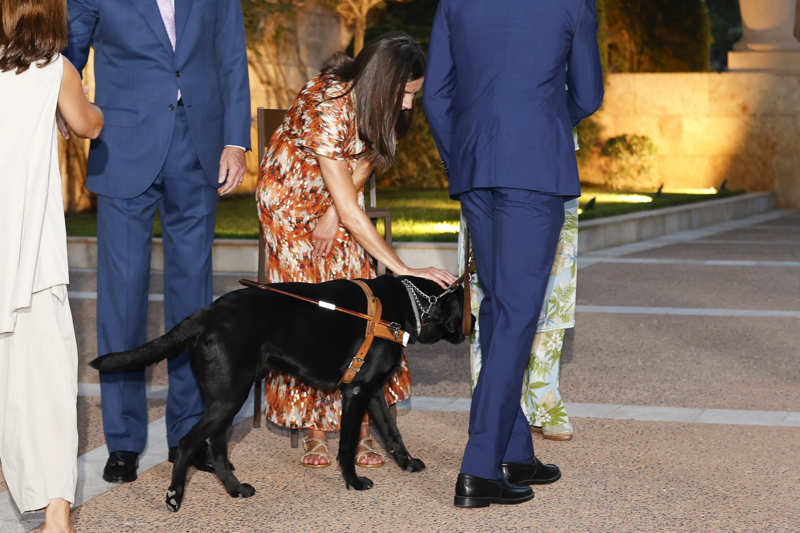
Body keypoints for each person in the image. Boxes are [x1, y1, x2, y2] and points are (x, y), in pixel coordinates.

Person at [423, 0, 603, 508]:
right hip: (534, 170)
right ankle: (479, 469)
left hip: (476, 165)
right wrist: (539, 122)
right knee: (518, 313)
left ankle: (514, 449)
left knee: (503, 307)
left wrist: (465, 152)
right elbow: (588, 95)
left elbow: (436, 97)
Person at [63, 0, 251, 483]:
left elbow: (231, 55)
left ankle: (188, 433)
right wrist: (64, 108)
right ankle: (123, 440)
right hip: (122, 146)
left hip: (199, 147)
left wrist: (236, 140)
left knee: (193, 300)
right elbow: (69, 50)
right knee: (121, 300)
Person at [257, 33, 455, 468]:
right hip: (288, 202)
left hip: (334, 199)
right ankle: (312, 429)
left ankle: (361, 423)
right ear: (382, 82)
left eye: (412, 96)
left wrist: (335, 212)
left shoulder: (381, 105)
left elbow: (368, 155)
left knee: (361, 302)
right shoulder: (329, 102)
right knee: (311, 308)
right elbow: (350, 208)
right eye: (403, 95)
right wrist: (402, 269)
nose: (407, 106)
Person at [0, 0, 104, 530]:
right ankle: (57, 515)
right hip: (33, 253)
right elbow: (87, 124)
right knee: (45, 375)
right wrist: (78, 108)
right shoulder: (56, 70)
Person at [459, 199, 579, 442]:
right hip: (491, 182)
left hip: (551, 182)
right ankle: (494, 405)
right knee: (493, 288)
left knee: (552, 290)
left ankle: (544, 401)